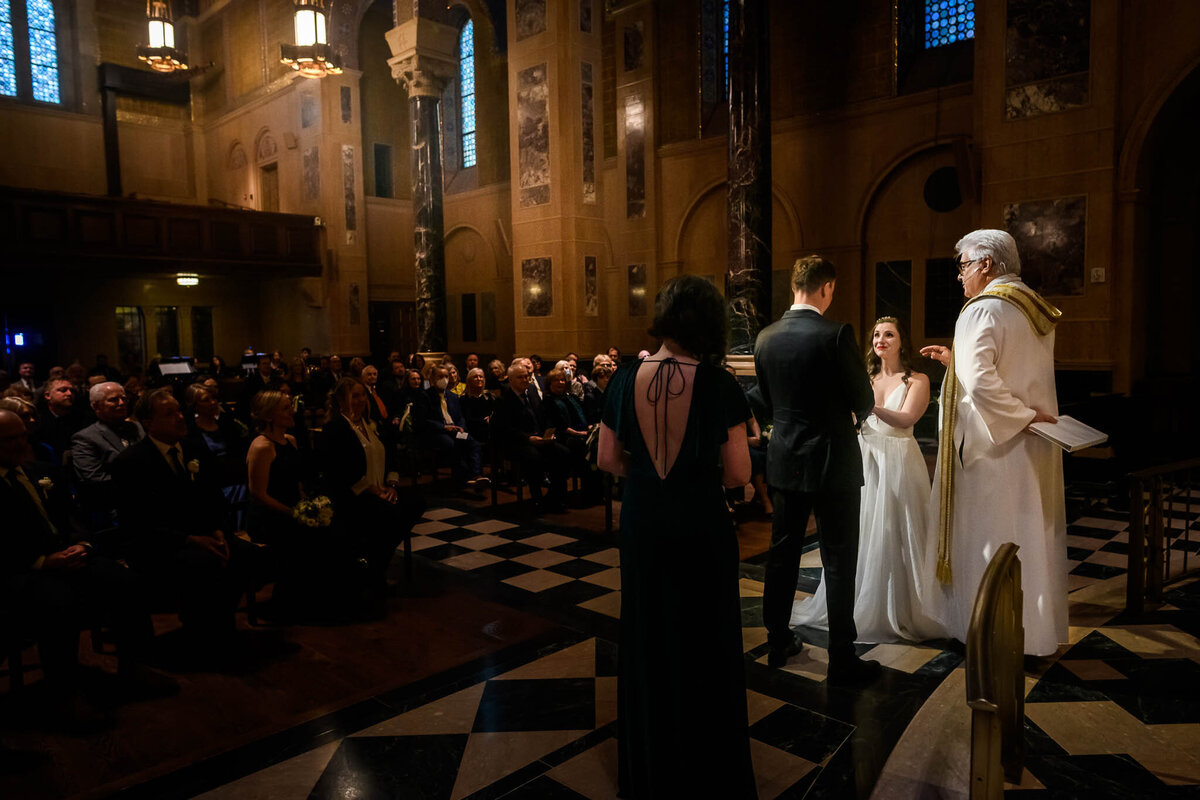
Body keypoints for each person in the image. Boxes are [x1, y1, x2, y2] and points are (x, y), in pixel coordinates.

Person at [598, 275, 755, 798]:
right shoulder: (719, 384)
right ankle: (707, 771)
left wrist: (646, 472)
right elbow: (736, 474)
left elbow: (606, 459)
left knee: (648, 635)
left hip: (643, 520)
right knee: (704, 639)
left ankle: (652, 769)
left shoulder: (622, 378)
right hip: (698, 522)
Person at [919, 229, 1066, 657]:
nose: (960, 276)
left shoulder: (981, 309)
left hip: (993, 446)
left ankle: (987, 632)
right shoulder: (1031, 306)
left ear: (986, 264)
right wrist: (956, 360)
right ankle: (1031, 632)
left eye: (963, 265)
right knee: (1028, 535)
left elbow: (983, 380)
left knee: (992, 538)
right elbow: (1007, 366)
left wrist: (1017, 417)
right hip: (1031, 443)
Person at [754, 255, 881, 684]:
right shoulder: (836, 334)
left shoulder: (765, 337)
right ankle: (842, 657)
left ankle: (777, 641)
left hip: (786, 458)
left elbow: (769, 400)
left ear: (796, 286)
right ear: (826, 288)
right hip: (832, 459)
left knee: (782, 554)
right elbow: (863, 398)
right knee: (839, 557)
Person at [790, 317, 944, 642]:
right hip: (865, 455)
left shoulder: (917, 380)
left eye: (889, 334)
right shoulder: (866, 378)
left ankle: (906, 605)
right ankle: (858, 602)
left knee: (901, 530)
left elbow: (907, 419)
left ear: (902, 342)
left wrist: (868, 406)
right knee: (863, 530)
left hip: (900, 459)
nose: (881, 339)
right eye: (876, 334)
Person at [319, 378, 424, 609]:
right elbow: (339, 470)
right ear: (340, 400)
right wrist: (374, 489)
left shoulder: (370, 423)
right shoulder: (336, 428)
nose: (360, 401)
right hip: (354, 496)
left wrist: (392, 485)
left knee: (415, 503)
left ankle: (374, 562)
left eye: (362, 396)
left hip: (381, 490)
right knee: (388, 516)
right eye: (354, 396)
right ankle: (373, 569)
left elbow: (389, 456)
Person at [71, 382, 144, 519]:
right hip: (115, 504)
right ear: (95, 406)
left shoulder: (137, 427)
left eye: (124, 398)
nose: (121, 403)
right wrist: (138, 483)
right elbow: (94, 478)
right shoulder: (85, 438)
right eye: (113, 400)